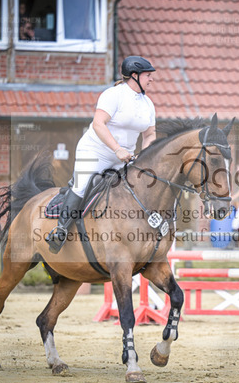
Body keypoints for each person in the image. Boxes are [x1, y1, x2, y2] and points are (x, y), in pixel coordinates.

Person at [46, 56, 157, 253]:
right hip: (95, 151)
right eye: (148, 75)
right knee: (81, 186)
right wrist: (117, 148)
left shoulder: (148, 103)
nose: (151, 79)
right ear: (134, 75)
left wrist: (144, 155)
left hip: (125, 158)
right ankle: (60, 231)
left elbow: (150, 134)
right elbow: (98, 124)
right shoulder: (113, 95)